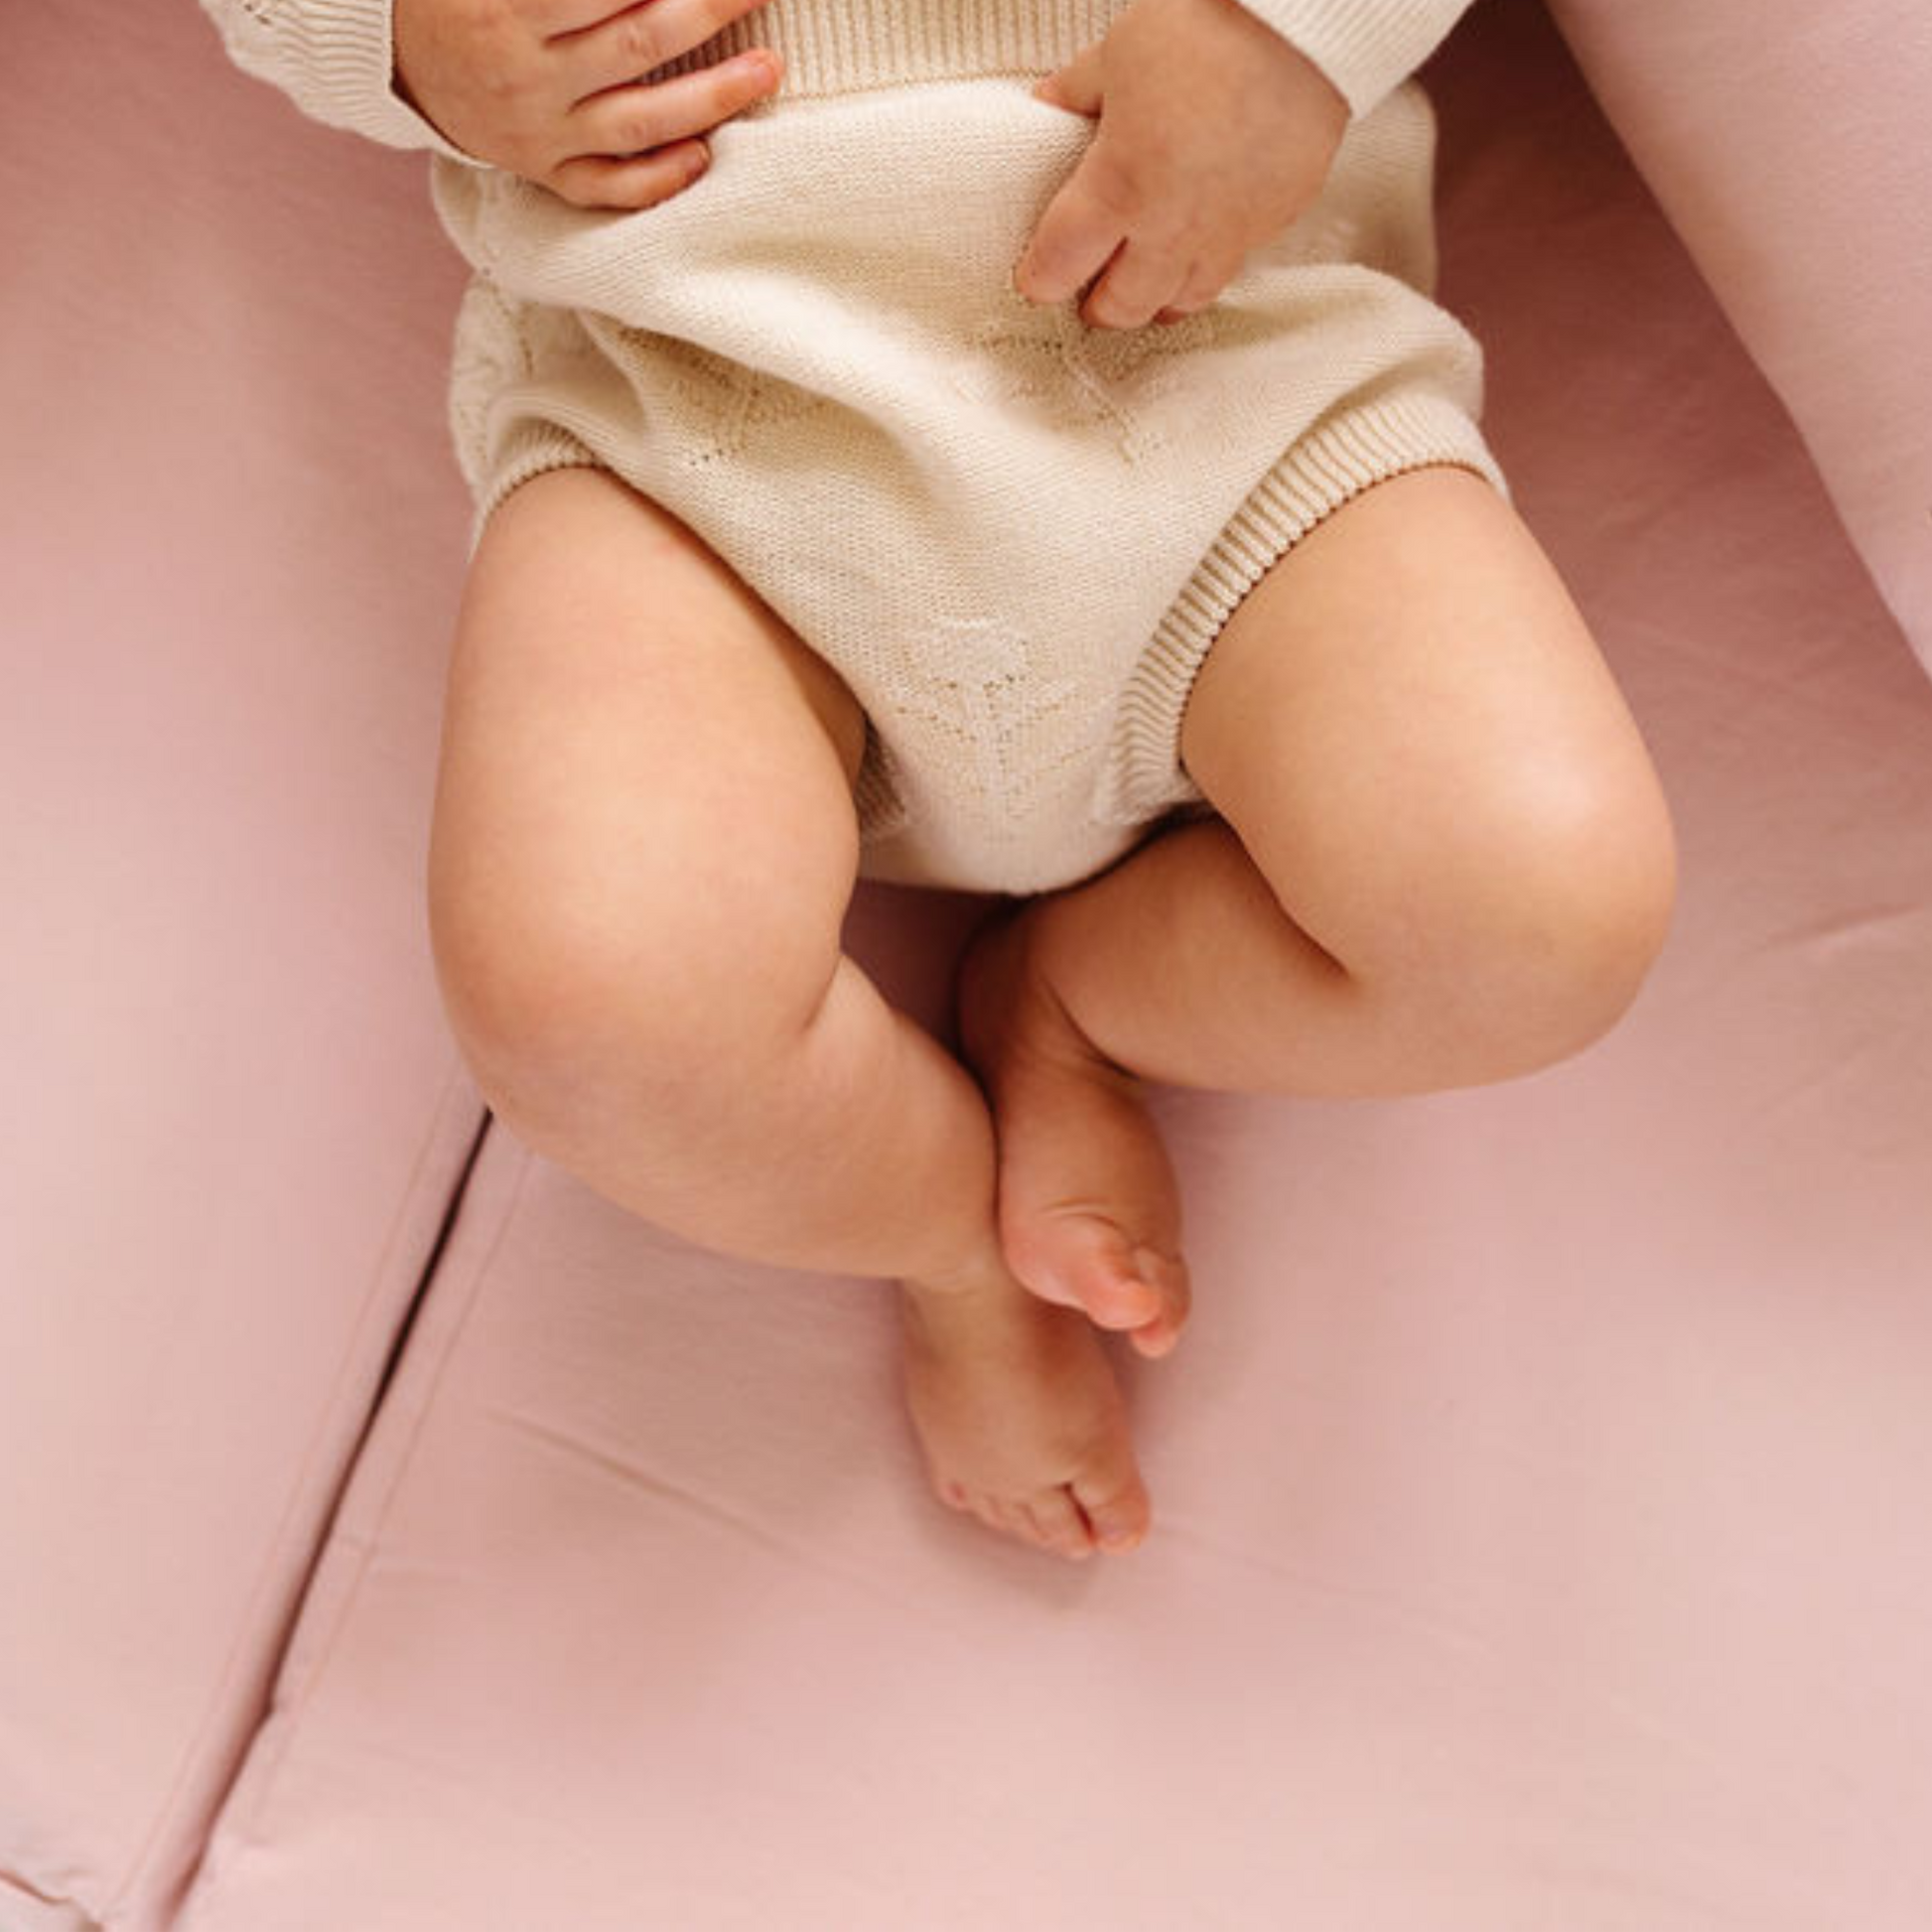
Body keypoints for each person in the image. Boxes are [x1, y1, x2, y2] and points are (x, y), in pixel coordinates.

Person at [201, 0, 1678, 1563]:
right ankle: (951, 1244)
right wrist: (395, 39)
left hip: (1233, 369)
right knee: (586, 1011)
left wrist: (1287, 30)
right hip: (696, 407)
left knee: (1538, 914)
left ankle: (1070, 1004)